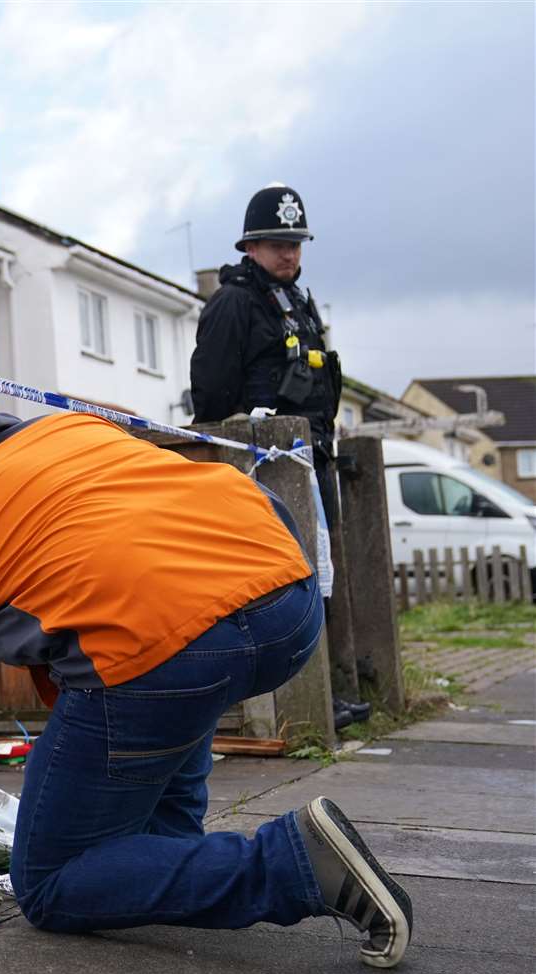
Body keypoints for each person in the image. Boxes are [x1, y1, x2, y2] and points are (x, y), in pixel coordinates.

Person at [0, 412, 412, 968]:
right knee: (154, 811)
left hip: (167, 645)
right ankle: (167, 865)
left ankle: (294, 865)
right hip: (289, 602)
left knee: (51, 881)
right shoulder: (64, 434)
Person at [189, 183, 370, 729]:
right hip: (265, 471)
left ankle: (319, 694)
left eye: (294, 243)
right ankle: (293, 702)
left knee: (319, 578)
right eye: (275, 244)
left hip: (313, 458)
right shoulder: (233, 304)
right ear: (250, 246)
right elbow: (212, 398)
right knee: (278, 585)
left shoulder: (297, 301)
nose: (288, 254)